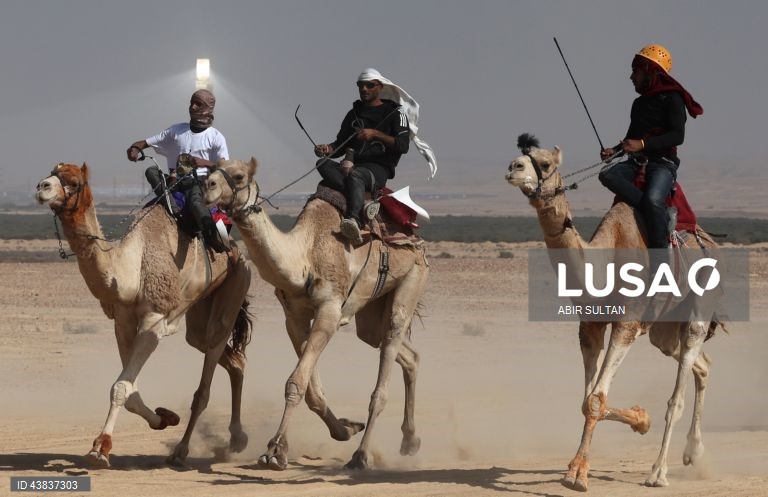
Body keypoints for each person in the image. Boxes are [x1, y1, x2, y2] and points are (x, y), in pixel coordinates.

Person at [598, 44, 702, 269]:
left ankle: (660, 264)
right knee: (607, 175)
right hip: (636, 163)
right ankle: (655, 213)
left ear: (650, 70)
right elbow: (631, 139)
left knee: (654, 198)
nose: (631, 77)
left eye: (636, 71)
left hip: (663, 165)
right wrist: (614, 151)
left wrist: (643, 144)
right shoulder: (639, 104)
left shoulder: (673, 99)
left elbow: (677, 136)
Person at [314, 68, 437, 244]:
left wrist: (375, 134)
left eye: (369, 85)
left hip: (377, 169)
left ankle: (354, 220)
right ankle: (362, 200)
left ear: (379, 87)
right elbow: (340, 144)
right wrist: (327, 149)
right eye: (360, 85)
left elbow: (403, 145)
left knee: (355, 175)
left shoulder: (396, 113)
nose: (364, 89)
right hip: (351, 164)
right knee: (322, 163)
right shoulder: (353, 114)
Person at [126, 89, 228, 253]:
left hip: (200, 183)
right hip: (175, 181)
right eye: (191, 103)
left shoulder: (216, 137)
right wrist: (135, 148)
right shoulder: (176, 130)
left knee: (196, 202)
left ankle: (214, 239)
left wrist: (202, 163)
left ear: (208, 108)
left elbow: (225, 168)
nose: (192, 107)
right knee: (151, 171)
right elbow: (145, 142)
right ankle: (174, 209)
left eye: (198, 104)